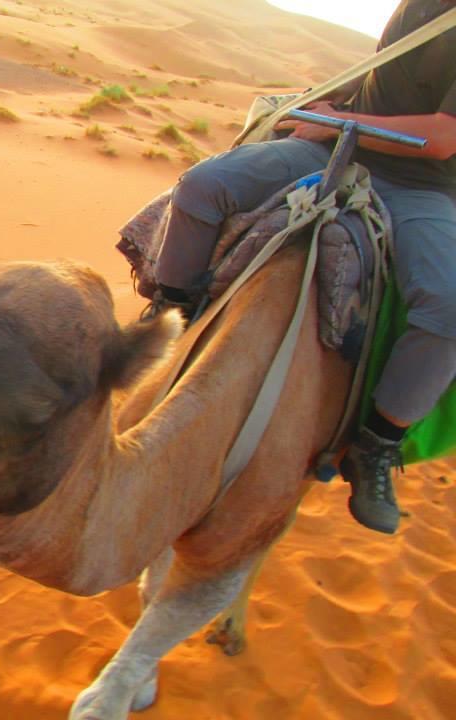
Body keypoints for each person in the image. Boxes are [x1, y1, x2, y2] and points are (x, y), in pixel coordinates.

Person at [146, 0, 456, 534]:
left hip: (421, 190)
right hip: (337, 151)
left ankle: (378, 444)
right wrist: (330, 104)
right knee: (203, 186)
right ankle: (168, 323)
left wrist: (341, 123)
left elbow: (441, 138)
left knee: (447, 306)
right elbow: (390, 84)